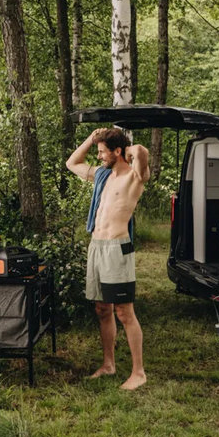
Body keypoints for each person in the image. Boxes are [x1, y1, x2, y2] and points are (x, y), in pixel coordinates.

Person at [66, 127, 149, 390]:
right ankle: (108, 364)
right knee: (102, 309)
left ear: (118, 151)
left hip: (117, 248)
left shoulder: (135, 177)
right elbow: (72, 163)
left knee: (124, 312)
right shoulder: (102, 175)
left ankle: (138, 373)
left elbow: (141, 152)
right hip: (97, 245)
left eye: (103, 151)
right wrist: (92, 139)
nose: (99, 156)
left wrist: (127, 147)